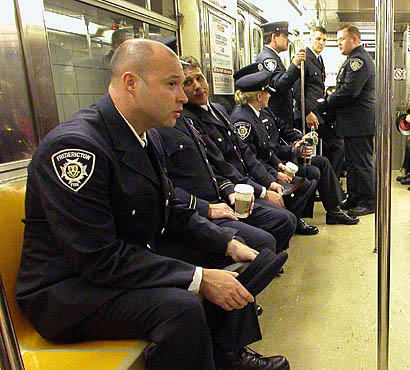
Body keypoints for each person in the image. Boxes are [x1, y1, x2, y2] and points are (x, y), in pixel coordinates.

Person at [16, 39, 289, 370]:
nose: (183, 96)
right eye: (172, 84)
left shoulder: (145, 135)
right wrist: (199, 278)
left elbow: (170, 208)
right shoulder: (76, 149)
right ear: (131, 83)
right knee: (180, 306)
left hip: (122, 258)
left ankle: (227, 356)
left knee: (239, 248)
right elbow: (98, 258)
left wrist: (228, 244)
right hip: (69, 291)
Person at [156, 55, 296, 254]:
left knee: (286, 214)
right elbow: (217, 165)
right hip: (215, 197)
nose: (197, 86)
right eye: (187, 82)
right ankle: (264, 260)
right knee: (276, 227)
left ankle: (267, 260)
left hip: (231, 187)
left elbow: (244, 152)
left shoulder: (219, 109)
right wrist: (256, 190)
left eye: (200, 78)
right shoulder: (183, 120)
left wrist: (270, 179)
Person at [232, 68, 359, 225]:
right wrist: (281, 165)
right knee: (311, 175)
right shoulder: (243, 121)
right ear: (259, 96)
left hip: (274, 160)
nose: (270, 95)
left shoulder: (261, 112)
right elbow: (254, 157)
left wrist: (299, 140)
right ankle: (295, 218)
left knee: (322, 162)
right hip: (265, 168)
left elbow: (280, 129)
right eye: (267, 92)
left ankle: (334, 209)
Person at [324, 25, 376, 217]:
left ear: (354, 40)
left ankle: (369, 201)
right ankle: (354, 197)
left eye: (342, 39)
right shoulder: (353, 60)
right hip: (353, 123)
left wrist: (329, 100)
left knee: (361, 163)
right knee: (353, 163)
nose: (339, 43)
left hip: (359, 123)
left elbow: (350, 91)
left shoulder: (358, 61)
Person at [292, 26, 346, 176]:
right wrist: (307, 112)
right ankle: (330, 184)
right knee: (337, 145)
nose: (321, 42)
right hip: (307, 116)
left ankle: (328, 183)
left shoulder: (318, 59)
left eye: (324, 40)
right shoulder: (304, 59)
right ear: (310, 39)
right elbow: (297, 88)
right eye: (318, 39)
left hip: (318, 114)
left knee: (333, 145)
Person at [255, 21, 306, 126]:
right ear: (274, 37)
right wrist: (294, 65)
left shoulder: (273, 56)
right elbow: (279, 85)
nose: (288, 40)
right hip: (276, 115)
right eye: (285, 36)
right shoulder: (268, 59)